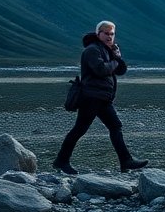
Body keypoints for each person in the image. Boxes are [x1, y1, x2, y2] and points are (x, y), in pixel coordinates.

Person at [52, 20, 148, 174]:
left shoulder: (106, 50)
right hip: (91, 97)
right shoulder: (92, 50)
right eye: (106, 33)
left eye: (112, 34)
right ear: (98, 34)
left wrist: (116, 57)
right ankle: (61, 161)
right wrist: (114, 61)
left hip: (102, 98)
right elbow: (101, 70)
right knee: (80, 129)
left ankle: (126, 161)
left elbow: (121, 70)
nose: (110, 37)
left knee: (114, 126)